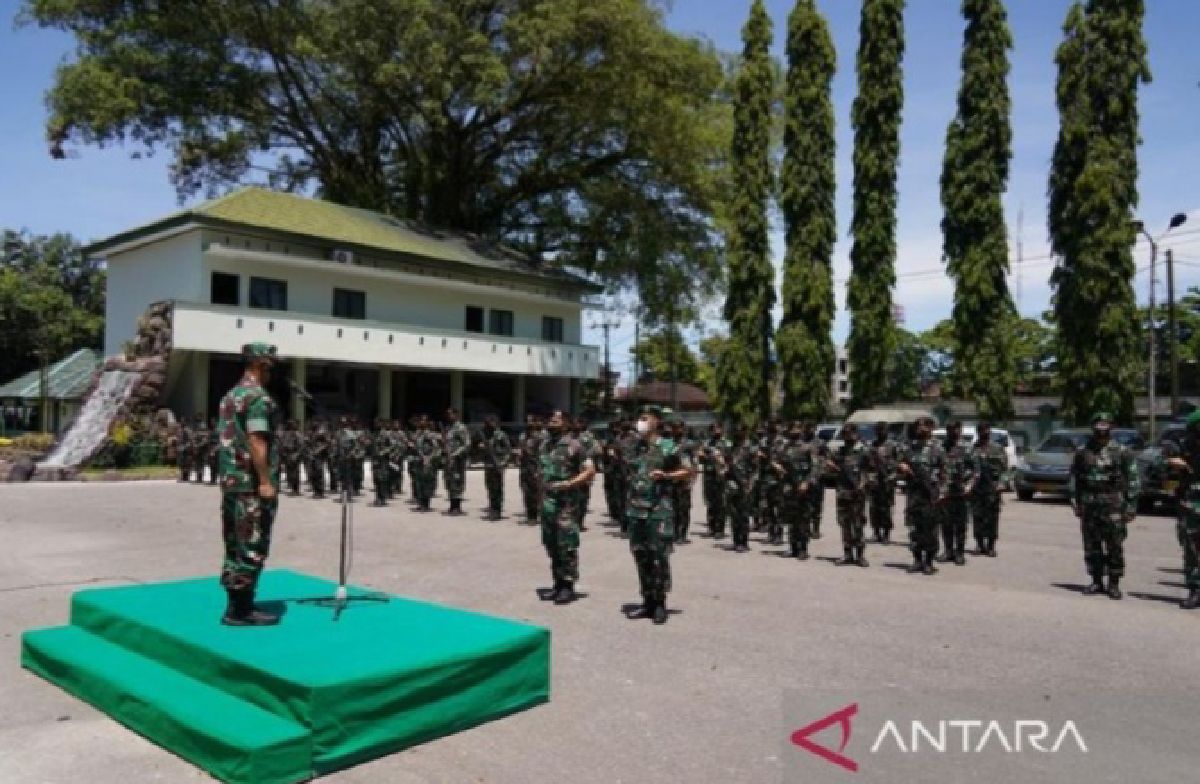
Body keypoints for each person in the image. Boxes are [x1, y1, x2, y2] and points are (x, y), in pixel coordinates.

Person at [215, 342, 281, 626]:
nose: (271, 372)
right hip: (250, 484)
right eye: (269, 366)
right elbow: (257, 439)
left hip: (232, 481)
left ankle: (236, 603)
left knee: (234, 543)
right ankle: (241, 610)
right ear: (259, 365)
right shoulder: (257, 398)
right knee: (253, 543)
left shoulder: (230, 396)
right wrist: (265, 480)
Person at [624, 406, 691, 624]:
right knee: (641, 555)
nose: (640, 422)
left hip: (658, 511)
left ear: (656, 422)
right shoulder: (636, 447)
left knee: (659, 557)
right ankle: (647, 601)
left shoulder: (669, 447)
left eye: (644, 418)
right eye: (639, 418)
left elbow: (688, 470)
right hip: (636, 510)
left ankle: (660, 603)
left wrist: (666, 475)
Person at [1069, 412, 1139, 599]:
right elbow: (1074, 478)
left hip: (1113, 504)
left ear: (1111, 427)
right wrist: (1074, 500)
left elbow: (1133, 480)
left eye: (1105, 424)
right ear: (1093, 427)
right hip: (1090, 503)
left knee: (1114, 545)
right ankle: (1096, 581)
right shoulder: (1083, 451)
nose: (1101, 428)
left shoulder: (1122, 452)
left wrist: (1131, 506)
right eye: (1098, 424)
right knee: (1092, 545)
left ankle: (1114, 583)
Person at [538, 410, 596, 604]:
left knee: (566, 544)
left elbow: (590, 471)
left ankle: (568, 586)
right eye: (550, 420)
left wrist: (570, 484)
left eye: (556, 420)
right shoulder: (545, 445)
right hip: (547, 503)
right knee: (551, 543)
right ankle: (557, 583)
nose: (551, 423)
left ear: (566, 424)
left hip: (566, 504)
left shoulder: (575, 446)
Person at [897, 416, 946, 575]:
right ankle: (917, 560)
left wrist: (942, 491)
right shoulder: (910, 447)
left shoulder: (937, 448)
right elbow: (897, 464)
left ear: (930, 429)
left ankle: (929, 562)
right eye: (918, 426)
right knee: (914, 528)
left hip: (931, 494)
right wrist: (902, 467)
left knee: (930, 530)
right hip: (914, 494)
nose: (920, 428)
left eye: (923, 426)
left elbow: (945, 472)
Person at [1163, 410, 1200, 609]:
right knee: (1191, 550)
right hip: (1190, 506)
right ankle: (1195, 590)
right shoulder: (1183, 448)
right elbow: (1163, 470)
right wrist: (1171, 464)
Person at [827, 422, 869, 567]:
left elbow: (871, 470)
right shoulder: (839, 452)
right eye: (845, 434)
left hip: (857, 493)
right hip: (843, 492)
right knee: (844, 524)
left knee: (858, 524)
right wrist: (831, 467)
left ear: (856, 434)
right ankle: (848, 554)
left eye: (850, 433)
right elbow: (829, 467)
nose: (848, 436)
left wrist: (863, 483)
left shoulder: (864, 451)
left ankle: (860, 555)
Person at [777, 421, 819, 560]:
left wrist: (807, 482)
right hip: (789, 488)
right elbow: (778, 462)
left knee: (803, 519)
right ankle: (793, 547)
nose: (794, 432)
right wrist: (778, 468)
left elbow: (815, 467)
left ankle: (803, 548)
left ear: (801, 431)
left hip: (803, 488)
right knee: (791, 519)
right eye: (792, 430)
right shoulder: (785, 448)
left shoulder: (808, 448)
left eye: (797, 429)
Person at [938, 420, 976, 566]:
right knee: (945, 523)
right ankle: (948, 551)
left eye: (956, 429)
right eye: (950, 429)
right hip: (945, 492)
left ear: (960, 430)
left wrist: (969, 486)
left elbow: (975, 469)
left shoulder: (967, 448)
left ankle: (959, 553)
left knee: (960, 524)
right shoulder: (941, 447)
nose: (953, 432)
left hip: (961, 492)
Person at [970, 420, 1007, 557]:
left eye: (986, 430)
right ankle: (980, 544)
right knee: (977, 516)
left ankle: (991, 546)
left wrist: (1002, 483)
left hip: (992, 487)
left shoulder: (997, 448)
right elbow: (968, 467)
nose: (984, 432)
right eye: (981, 430)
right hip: (977, 488)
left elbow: (1005, 469)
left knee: (992, 517)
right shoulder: (973, 449)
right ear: (978, 432)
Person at [866, 421, 898, 543]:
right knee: (874, 508)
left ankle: (886, 533)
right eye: (878, 430)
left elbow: (898, 462)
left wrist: (893, 476)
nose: (880, 432)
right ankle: (876, 532)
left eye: (883, 430)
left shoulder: (892, 446)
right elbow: (868, 463)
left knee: (886, 509)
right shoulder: (872, 445)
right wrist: (869, 478)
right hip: (875, 481)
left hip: (887, 481)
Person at [699, 424, 731, 539]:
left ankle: (719, 529)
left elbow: (729, 458)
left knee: (721, 503)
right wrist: (704, 455)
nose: (716, 431)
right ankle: (711, 527)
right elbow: (701, 458)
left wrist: (721, 461)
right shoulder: (706, 443)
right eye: (713, 430)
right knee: (710, 502)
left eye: (718, 429)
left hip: (721, 476)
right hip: (709, 475)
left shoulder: (726, 443)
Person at [671, 421, 699, 544]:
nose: (677, 430)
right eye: (675, 428)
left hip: (684, 481)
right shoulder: (669, 444)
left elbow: (694, 461)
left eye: (679, 428)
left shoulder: (689, 444)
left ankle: (682, 534)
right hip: (672, 480)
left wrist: (693, 479)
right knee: (673, 508)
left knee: (684, 508)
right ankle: (674, 533)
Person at [481, 415, 513, 520]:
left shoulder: (501, 434)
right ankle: (492, 507)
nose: (488, 425)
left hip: (498, 464)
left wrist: (503, 463)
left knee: (497, 488)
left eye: (490, 422)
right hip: (489, 465)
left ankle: (497, 510)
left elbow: (508, 450)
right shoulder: (486, 435)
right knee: (490, 487)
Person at [442, 408, 470, 516]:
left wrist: (455, 454)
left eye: (451, 414)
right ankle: (452, 506)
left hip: (457, 460)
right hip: (449, 459)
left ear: (456, 415)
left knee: (457, 481)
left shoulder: (461, 427)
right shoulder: (448, 428)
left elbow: (466, 444)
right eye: (448, 414)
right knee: (449, 481)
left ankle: (457, 507)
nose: (449, 416)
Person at [518, 415, 543, 524]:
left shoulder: (540, 437)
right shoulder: (523, 436)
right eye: (527, 421)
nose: (529, 423)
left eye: (531, 421)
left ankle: (535, 514)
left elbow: (542, 453)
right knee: (526, 490)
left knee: (536, 492)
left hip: (535, 466)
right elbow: (520, 449)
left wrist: (539, 469)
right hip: (524, 467)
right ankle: (529, 514)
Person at [278, 419, 304, 496]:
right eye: (290, 424)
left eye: (292, 424)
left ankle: (296, 490)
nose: (291, 425)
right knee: (289, 473)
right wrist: (283, 454)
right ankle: (292, 488)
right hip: (287, 454)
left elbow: (301, 446)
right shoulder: (286, 433)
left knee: (295, 473)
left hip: (294, 453)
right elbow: (282, 444)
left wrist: (296, 454)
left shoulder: (297, 434)